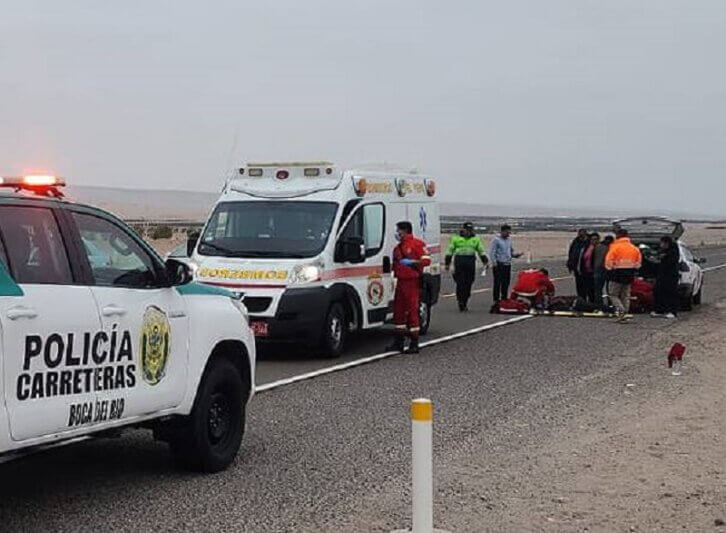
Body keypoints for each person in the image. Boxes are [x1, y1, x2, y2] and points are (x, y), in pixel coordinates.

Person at [387, 221, 431, 354]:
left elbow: (426, 260)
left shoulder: (417, 244)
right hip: (400, 282)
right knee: (398, 312)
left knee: (412, 312)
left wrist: (413, 262)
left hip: (412, 282)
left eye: (398, 230)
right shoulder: (397, 248)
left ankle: (414, 342)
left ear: (405, 230)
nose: (397, 233)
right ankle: (399, 341)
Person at [445, 222, 489, 312]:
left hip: (470, 261)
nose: (468, 232)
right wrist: (447, 263)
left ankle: (465, 300)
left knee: (469, 282)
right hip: (460, 260)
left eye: (470, 230)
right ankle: (460, 301)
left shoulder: (475, 239)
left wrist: (485, 261)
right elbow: (450, 251)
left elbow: (481, 251)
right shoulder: (456, 239)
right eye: (467, 230)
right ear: (463, 229)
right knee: (460, 282)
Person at [604, 228, 642, 322]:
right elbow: (638, 263)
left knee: (613, 294)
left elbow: (609, 261)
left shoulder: (615, 247)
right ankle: (624, 314)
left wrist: (609, 269)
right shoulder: (634, 248)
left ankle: (621, 311)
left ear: (619, 235)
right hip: (629, 274)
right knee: (625, 295)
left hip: (616, 273)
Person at [489, 224, 523, 309]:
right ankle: (496, 300)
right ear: (503, 231)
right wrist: (494, 263)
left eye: (509, 232)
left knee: (506, 283)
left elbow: (510, 252)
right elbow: (492, 253)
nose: (508, 234)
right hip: (499, 264)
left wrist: (516, 255)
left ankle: (504, 298)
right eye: (507, 232)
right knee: (497, 283)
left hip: (507, 264)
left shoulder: (509, 240)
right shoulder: (496, 240)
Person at [652, 236, 680, 319]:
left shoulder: (673, 251)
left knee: (670, 293)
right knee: (658, 292)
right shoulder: (662, 251)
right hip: (662, 275)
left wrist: (664, 257)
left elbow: (672, 261)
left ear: (667, 243)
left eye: (662, 243)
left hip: (671, 276)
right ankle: (659, 310)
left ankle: (672, 312)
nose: (661, 245)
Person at [567, 228, 590, 299]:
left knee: (588, 287)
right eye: (579, 234)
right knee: (579, 287)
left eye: (582, 234)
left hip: (587, 270)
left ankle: (589, 302)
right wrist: (570, 264)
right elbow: (571, 254)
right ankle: (581, 300)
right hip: (577, 269)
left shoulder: (589, 243)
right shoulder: (575, 242)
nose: (580, 235)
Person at [593, 235, 613, 308]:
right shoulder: (611, 248)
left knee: (598, 289)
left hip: (598, 270)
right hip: (608, 270)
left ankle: (599, 304)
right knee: (609, 289)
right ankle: (610, 303)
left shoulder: (598, 247)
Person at [579, 232, 600, 303]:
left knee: (595, 290)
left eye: (596, 239)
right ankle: (588, 303)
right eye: (593, 239)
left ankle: (595, 303)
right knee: (587, 288)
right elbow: (582, 258)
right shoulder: (587, 247)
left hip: (595, 272)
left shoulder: (599, 248)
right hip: (586, 271)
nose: (595, 241)